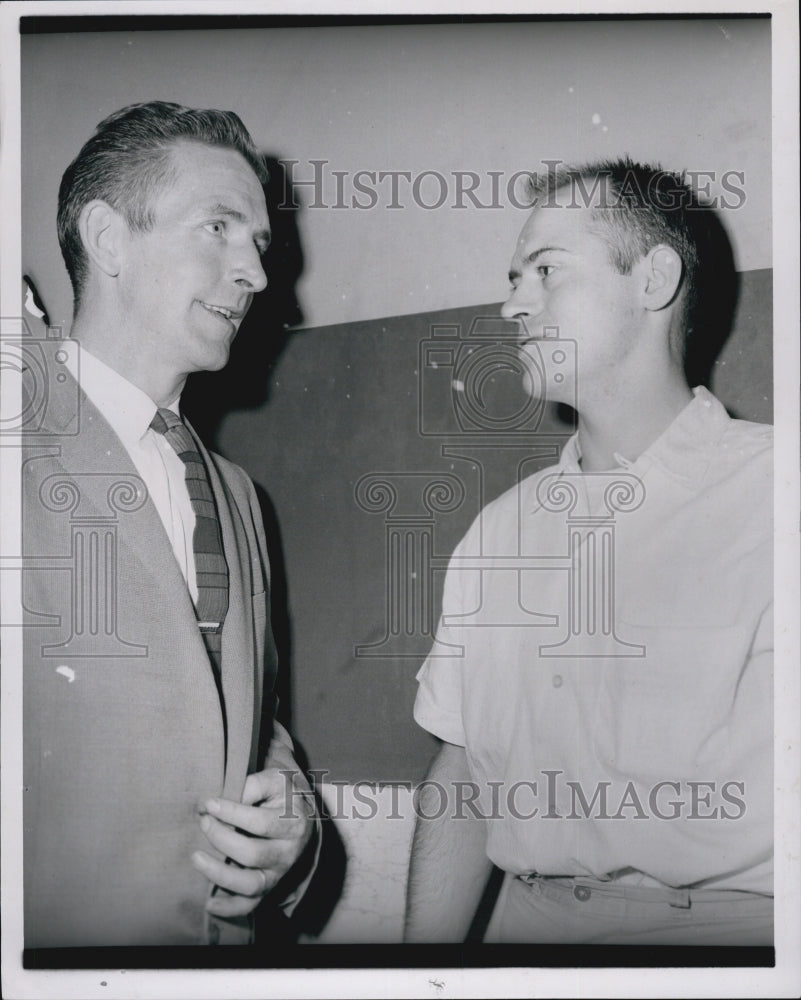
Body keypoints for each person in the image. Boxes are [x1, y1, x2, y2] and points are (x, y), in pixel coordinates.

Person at [404, 159, 773, 946]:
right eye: (513, 277)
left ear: (653, 278)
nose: (511, 304)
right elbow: (463, 774)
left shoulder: (776, 493)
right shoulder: (498, 530)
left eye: (545, 271)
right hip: (521, 934)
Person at [22, 101, 316, 948]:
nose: (256, 274)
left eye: (257, 243)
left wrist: (293, 828)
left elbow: (247, 726)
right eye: (218, 226)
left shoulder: (239, 497)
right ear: (109, 240)